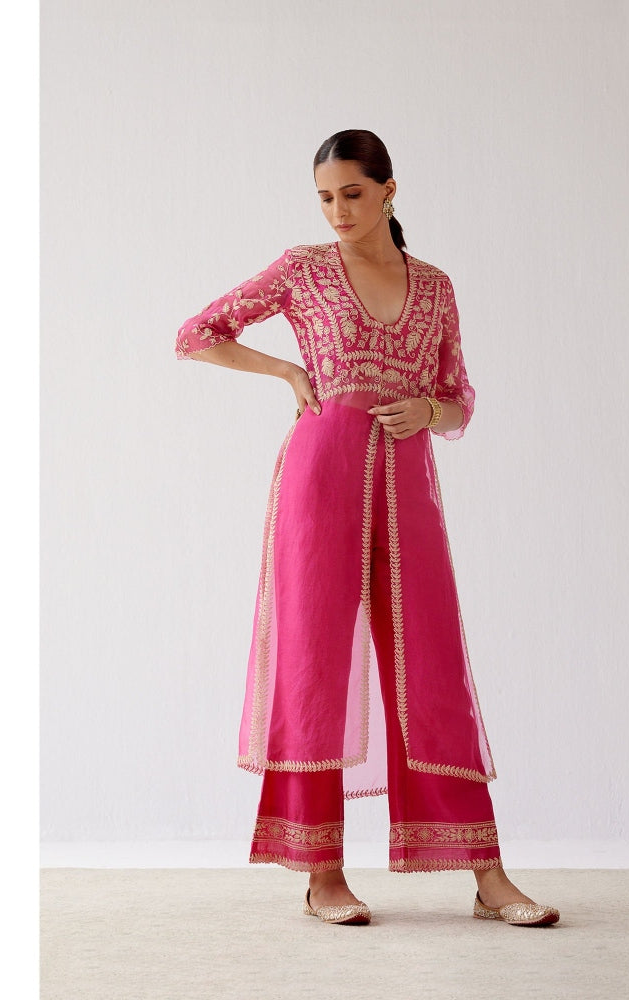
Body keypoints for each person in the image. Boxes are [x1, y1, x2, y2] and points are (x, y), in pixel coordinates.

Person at [175, 129, 559, 927]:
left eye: (352, 193)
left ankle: (488, 877)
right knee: (315, 666)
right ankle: (322, 876)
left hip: (408, 491)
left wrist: (427, 409)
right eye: (325, 197)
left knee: (433, 668)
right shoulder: (303, 269)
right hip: (320, 483)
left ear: (389, 190)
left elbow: (458, 397)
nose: (338, 211)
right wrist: (285, 369)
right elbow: (198, 333)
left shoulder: (436, 288)